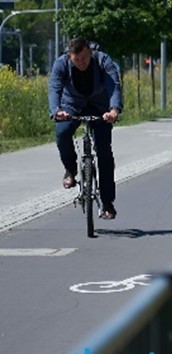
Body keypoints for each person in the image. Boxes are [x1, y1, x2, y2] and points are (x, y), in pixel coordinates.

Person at [49, 38, 123, 220]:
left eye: (83, 58)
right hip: (71, 105)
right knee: (62, 132)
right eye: (76, 60)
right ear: (69, 56)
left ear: (89, 52)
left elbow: (113, 85)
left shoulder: (102, 60)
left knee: (104, 152)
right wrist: (56, 111)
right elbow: (54, 88)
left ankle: (107, 203)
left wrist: (114, 110)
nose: (80, 63)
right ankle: (70, 170)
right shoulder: (61, 64)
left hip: (100, 106)